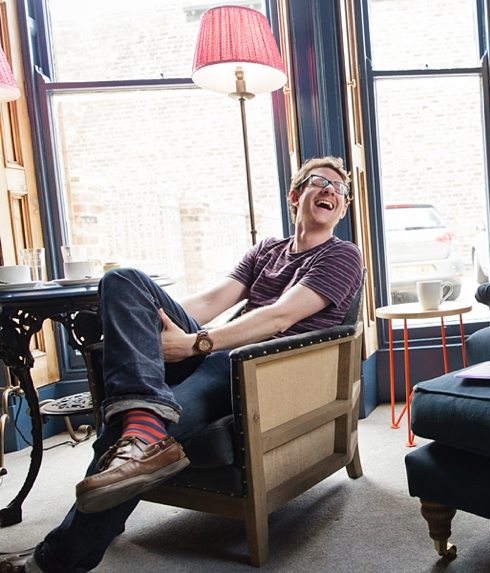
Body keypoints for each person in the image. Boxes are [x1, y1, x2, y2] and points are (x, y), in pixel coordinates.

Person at [0, 156, 364, 573]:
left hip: (265, 370)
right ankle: (143, 428)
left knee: (128, 429)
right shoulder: (267, 250)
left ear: (342, 207)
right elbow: (210, 303)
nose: (331, 191)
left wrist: (195, 343)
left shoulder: (342, 256)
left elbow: (279, 317)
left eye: (339, 190)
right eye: (320, 182)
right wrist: (150, 326)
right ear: (296, 195)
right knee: (124, 281)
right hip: (218, 352)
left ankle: (52, 561)